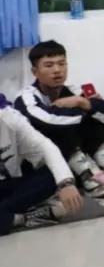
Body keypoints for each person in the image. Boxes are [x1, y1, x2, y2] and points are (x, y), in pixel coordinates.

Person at [15, 41, 104, 197]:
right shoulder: (25, 98)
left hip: (74, 159)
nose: (57, 70)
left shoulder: (74, 91)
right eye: (49, 65)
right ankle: (88, 176)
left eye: (62, 64)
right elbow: (49, 121)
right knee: (63, 122)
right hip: (42, 166)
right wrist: (86, 107)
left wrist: (82, 102)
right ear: (35, 72)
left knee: (85, 112)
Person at [0, 95, 83, 235]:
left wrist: (65, 183)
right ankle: (24, 217)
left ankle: (8, 216)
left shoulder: (10, 117)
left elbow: (45, 146)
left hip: (11, 185)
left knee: (52, 174)